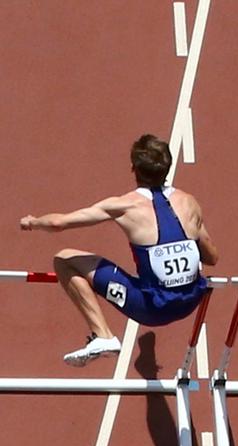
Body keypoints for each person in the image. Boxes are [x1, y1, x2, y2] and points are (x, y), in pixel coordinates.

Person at [19, 134, 219, 366]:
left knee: (64, 259)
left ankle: (102, 334)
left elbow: (58, 223)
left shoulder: (124, 206)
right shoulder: (189, 202)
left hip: (151, 309)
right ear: (167, 168)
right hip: (190, 302)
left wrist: (33, 222)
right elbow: (212, 257)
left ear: (133, 168)